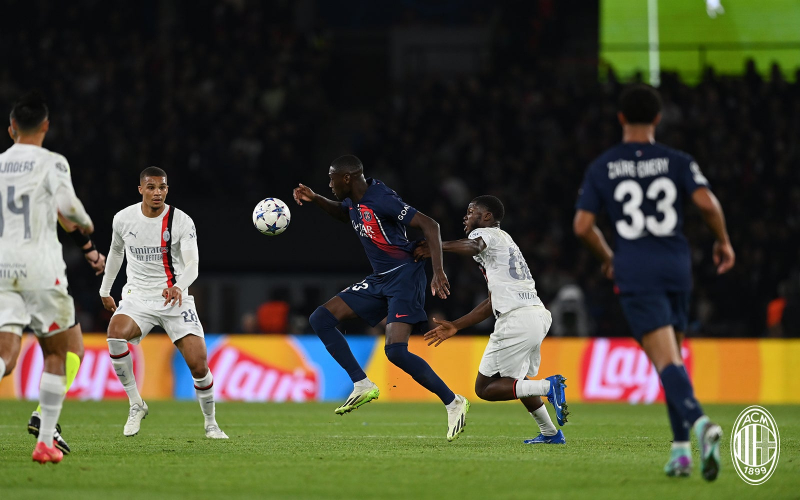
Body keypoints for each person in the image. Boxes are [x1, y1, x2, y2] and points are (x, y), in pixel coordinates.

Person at [573, 84, 735, 480]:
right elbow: (706, 203)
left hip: (637, 271)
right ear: (658, 119)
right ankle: (680, 452)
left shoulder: (603, 166)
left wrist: (608, 258)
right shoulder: (677, 160)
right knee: (673, 360)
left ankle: (700, 424)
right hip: (677, 268)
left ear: (621, 118)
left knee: (664, 362)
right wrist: (723, 241)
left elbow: (582, 226)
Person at [292, 154, 469, 442]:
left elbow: (431, 225)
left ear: (347, 178)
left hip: (405, 277)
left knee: (396, 351)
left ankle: (453, 402)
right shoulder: (353, 200)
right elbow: (343, 213)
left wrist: (438, 271)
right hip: (380, 279)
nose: (330, 184)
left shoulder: (382, 198)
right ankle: (362, 383)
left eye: (332, 179)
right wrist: (317, 198)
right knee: (321, 318)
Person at [416, 195, 568, 444]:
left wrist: (436, 245)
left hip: (517, 318)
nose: (466, 216)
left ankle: (547, 387)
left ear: (487, 217)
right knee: (516, 381)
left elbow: (473, 246)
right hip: (535, 315)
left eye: (471, 211)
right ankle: (551, 433)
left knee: (485, 388)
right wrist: (456, 325)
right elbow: (490, 303)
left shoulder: (486, 234)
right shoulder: (504, 241)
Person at [0, 91, 95, 463]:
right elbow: (68, 208)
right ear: (46, 126)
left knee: (6, 355)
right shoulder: (52, 162)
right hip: (41, 268)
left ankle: (46, 431)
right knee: (61, 351)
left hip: (3, 267)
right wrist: (86, 223)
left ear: (12, 128)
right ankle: (44, 441)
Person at [99, 167, 227, 439]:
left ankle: (211, 424)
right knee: (115, 334)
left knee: (199, 365)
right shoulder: (123, 219)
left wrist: (179, 286)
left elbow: (193, 264)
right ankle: (136, 404)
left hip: (175, 299)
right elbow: (115, 252)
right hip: (138, 297)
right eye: (151, 187)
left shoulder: (181, 221)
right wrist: (105, 289)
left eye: (162, 187)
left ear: (167, 189)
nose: (157, 192)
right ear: (141, 189)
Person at [25, 212, 107, 455]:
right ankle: (42, 418)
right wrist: (90, 249)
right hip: (43, 270)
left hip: (7, 268)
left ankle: (42, 418)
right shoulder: (47, 186)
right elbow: (71, 214)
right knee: (69, 351)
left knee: (8, 350)